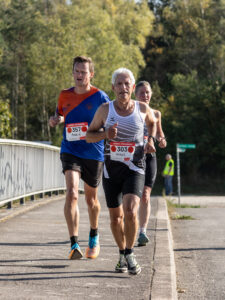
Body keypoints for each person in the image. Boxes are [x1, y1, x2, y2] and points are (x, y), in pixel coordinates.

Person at [86, 68, 156, 275]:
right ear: (113, 87)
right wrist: (105, 134)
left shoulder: (142, 109)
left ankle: (130, 252)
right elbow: (89, 136)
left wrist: (150, 139)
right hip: (111, 170)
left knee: (131, 210)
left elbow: (153, 122)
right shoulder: (105, 110)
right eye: (119, 84)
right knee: (116, 219)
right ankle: (122, 254)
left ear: (132, 88)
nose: (123, 87)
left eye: (127, 84)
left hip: (135, 168)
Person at [49, 56, 110, 260]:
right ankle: (74, 243)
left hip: (93, 151)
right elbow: (60, 115)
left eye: (83, 72)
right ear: (73, 72)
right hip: (70, 149)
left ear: (91, 74)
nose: (79, 75)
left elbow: (108, 123)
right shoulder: (64, 95)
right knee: (72, 193)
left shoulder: (101, 97)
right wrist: (55, 120)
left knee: (91, 199)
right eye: (76, 71)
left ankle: (94, 234)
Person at [135, 81, 167, 246]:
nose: (145, 96)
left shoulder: (156, 113)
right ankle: (130, 225)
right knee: (133, 197)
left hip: (150, 157)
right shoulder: (129, 112)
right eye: (141, 93)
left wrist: (162, 140)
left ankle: (142, 231)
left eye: (147, 92)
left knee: (146, 195)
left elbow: (160, 134)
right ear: (135, 94)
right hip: (133, 158)